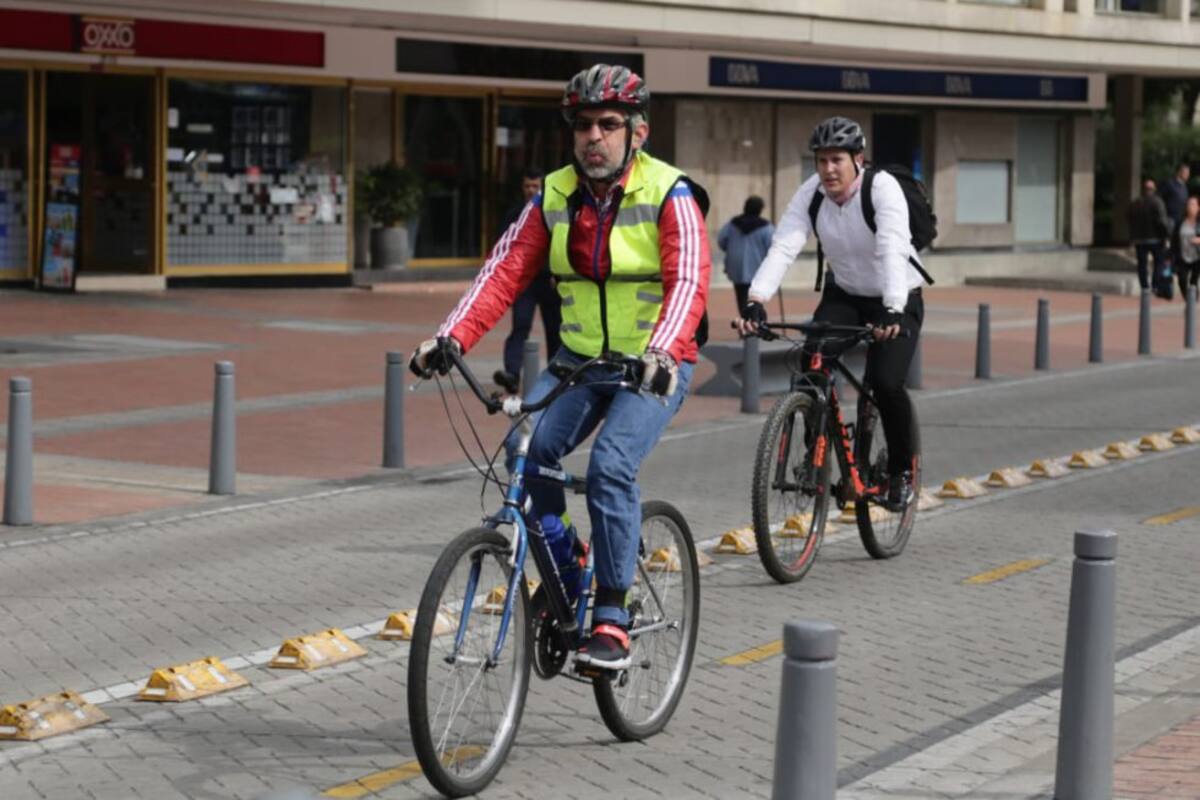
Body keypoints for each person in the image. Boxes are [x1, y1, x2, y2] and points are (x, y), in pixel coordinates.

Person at [410, 63, 710, 671]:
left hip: (653, 364)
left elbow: (688, 283)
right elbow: (501, 273)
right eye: (582, 126)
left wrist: (662, 350)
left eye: (607, 124)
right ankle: (568, 562)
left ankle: (613, 616)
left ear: (638, 132)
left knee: (609, 467)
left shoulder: (670, 193)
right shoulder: (552, 194)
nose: (592, 137)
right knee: (531, 456)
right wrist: (450, 339)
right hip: (578, 361)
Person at [736, 115, 923, 511]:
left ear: (858, 158)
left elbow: (891, 247)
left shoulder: (882, 189)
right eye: (821, 161)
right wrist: (756, 298)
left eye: (837, 159)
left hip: (897, 296)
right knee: (810, 363)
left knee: (886, 383)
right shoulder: (812, 193)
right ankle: (815, 450)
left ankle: (901, 470)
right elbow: (785, 244)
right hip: (847, 294)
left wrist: (892, 309)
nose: (828, 169)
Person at [493, 168, 562, 393]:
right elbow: (505, 245)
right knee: (520, 325)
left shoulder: (555, 213)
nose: (530, 190)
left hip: (551, 280)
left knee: (555, 328)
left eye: (535, 186)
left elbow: (563, 245)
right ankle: (512, 373)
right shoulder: (515, 214)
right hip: (526, 282)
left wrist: (559, 273)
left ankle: (557, 374)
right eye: (527, 186)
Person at [718, 195, 775, 314]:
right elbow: (773, 248)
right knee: (755, 297)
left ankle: (745, 318)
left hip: (736, 268)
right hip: (757, 268)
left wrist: (731, 250)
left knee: (741, 296)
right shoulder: (766, 227)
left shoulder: (732, 224)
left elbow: (721, 240)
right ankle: (753, 321)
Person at [1129, 178, 1172, 294]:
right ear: (1154, 189)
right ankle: (1154, 285)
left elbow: (1129, 219)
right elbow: (1162, 221)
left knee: (1142, 264)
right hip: (1155, 239)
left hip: (1139, 239)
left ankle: (1144, 286)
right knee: (1159, 262)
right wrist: (1167, 235)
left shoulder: (1136, 203)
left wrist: (1133, 236)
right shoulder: (1157, 202)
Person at [1171, 195, 1200, 297]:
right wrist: (1171, 254)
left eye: (1193, 204)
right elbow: (1174, 239)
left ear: (1198, 207)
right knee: (1182, 279)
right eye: (1188, 204)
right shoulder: (1180, 222)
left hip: (1197, 257)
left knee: (1194, 282)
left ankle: (1192, 304)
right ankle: (1188, 300)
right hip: (1183, 256)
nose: (1190, 207)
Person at [1161, 162, 1190, 229]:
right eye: (1186, 172)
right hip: (1170, 218)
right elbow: (1161, 198)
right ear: (1179, 172)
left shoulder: (1184, 187)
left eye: (1188, 173)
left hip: (1181, 219)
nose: (1188, 175)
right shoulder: (1170, 184)